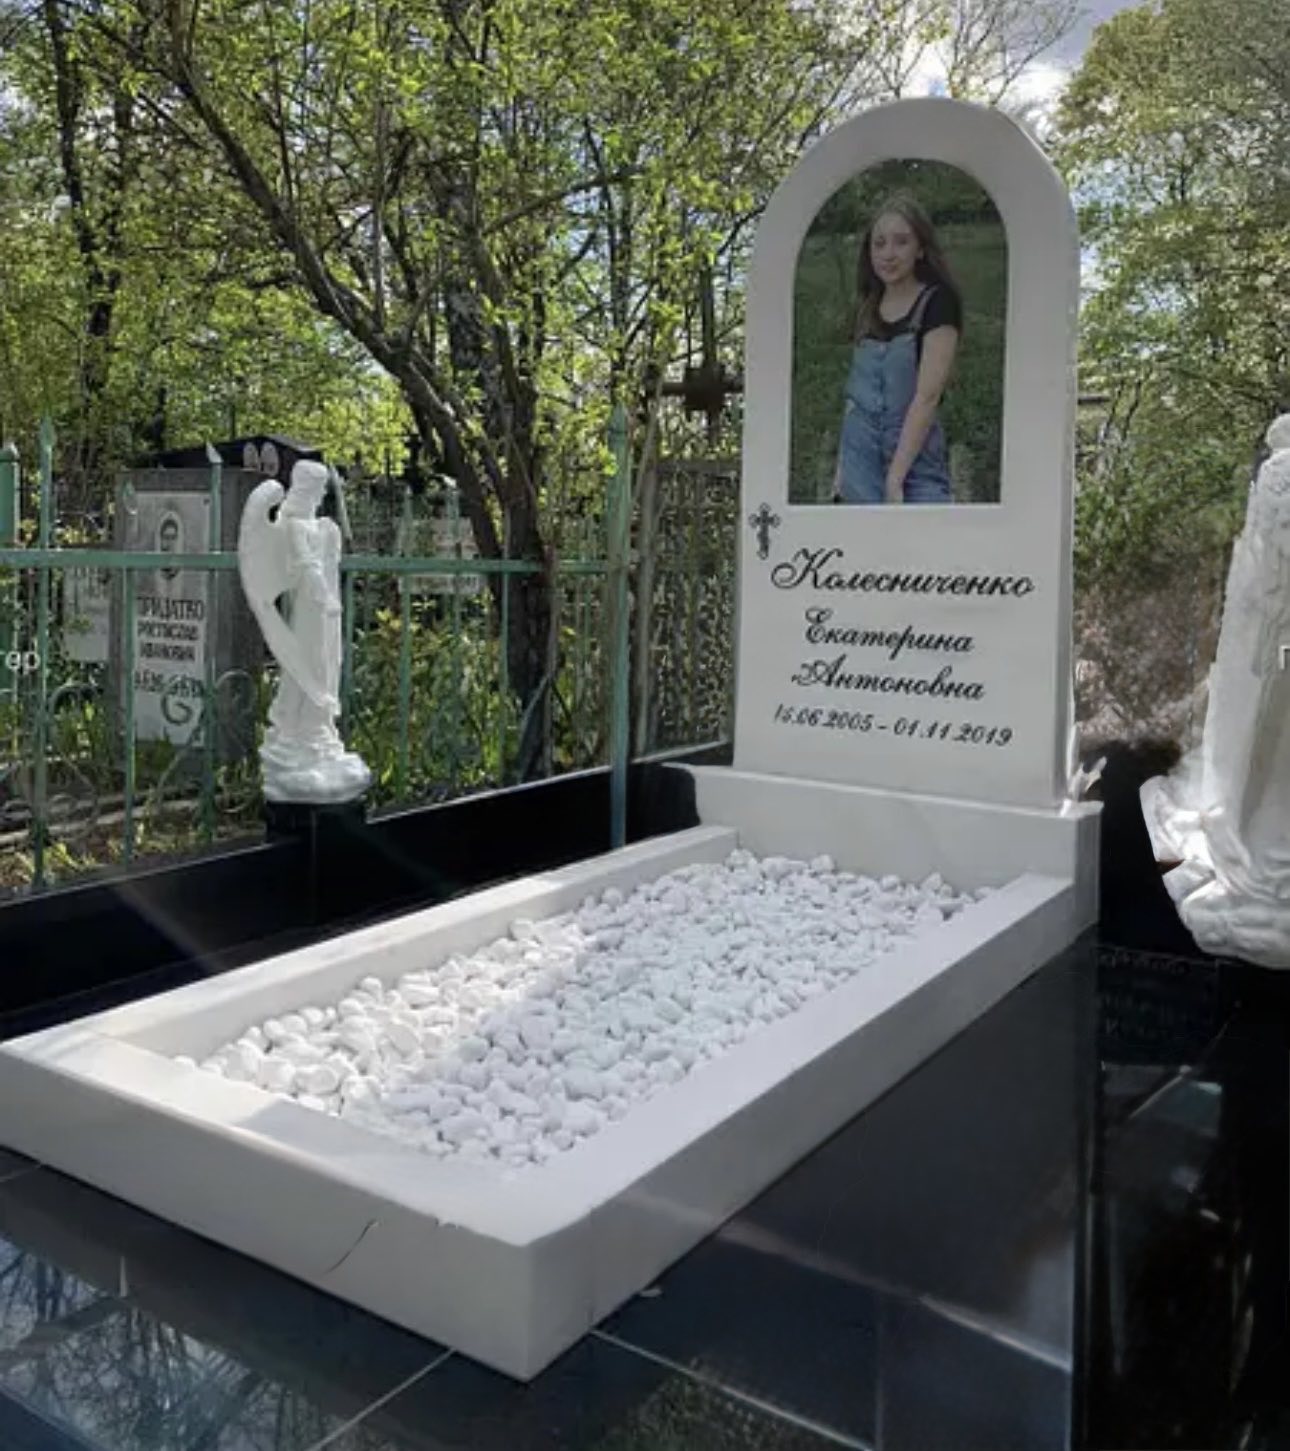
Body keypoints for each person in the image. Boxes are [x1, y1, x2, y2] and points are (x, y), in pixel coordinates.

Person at [834, 193, 962, 504]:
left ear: (920, 248)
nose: (888, 254)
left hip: (915, 465)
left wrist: (895, 478)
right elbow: (855, 396)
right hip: (858, 462)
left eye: (901, 242)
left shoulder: (938, 303)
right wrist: (841, 474)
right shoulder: (866, 306)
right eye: (879, 244)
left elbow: (927, 396)